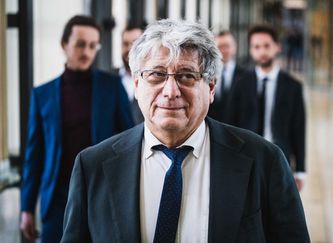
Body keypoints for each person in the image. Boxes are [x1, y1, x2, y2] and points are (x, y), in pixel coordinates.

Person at [61, 19, 310, 243]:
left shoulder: (264, 161)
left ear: (211, 87)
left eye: (187, 75)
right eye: (157, 75)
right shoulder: (92, 167)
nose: (170, 91)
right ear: (137, 85)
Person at [20, 15, 134, 243]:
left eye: (93, 46)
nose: (87, 52)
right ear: (64, 44)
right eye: (80, 44)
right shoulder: (42, 95)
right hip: (57, 198)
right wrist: (27, 207)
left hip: (103, 193)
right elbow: (35, 155)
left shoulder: (111, 87)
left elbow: (130, 141)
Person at [226, 25, 307, 191]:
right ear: (251, 50)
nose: (262, 51)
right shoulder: (240, 84)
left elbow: (299, 129)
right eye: (256, 47)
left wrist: (300, 170)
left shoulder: (293, 87)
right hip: (247, 157)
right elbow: (230, 124)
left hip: (280, 157)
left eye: (267, 46)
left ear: (278, 46)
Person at [207, 30, 245, 122]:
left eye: (227, 46)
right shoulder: (207, 74)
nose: (224, 50)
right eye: (220, 46)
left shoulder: (245, 74)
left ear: (234, 47)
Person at [114, 23, 146, 124]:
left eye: (134, 43)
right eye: (125, 44)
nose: (129, 49)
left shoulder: (154, 78)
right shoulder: (110, 79)